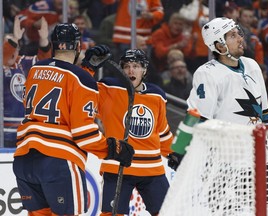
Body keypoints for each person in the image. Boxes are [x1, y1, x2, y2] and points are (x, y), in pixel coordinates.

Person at [12, 23, 134, 216]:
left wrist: (87, 70)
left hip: (24, 160)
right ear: (78, 47)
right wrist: (114, 149)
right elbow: (84, 134)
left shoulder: (35, 70)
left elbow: (62, 83)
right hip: (58, 162)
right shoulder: (82, 79)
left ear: (53, 45)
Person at [81, 47, 183, 215]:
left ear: (144, 69)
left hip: (152, 169)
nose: (130, 70)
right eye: (126, 66)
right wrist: (88, 68)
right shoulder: (109, 88)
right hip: (117, 166)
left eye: (136, 66)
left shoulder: (157, 95)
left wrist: (173, 153)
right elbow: (81, 91)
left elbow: (162, 131)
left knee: (168, 212)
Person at [186, 17, 268, 125]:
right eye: (232, 36)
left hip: (254, 140)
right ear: (220, 46)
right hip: (225, 141)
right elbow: (199, 121)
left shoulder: (252, 65)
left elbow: (265, 114)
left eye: (238, 33)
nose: (240, 39)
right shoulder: (207, 74)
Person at [3, 15, 51, 147]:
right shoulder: (2, 66)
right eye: (10, 46)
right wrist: (15, 39)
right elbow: (5, 58)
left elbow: (43, 62)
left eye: (16, 46)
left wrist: (44, 40)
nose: (14, 51)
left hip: (23, 129)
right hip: (3, 131)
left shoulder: (22, 62)